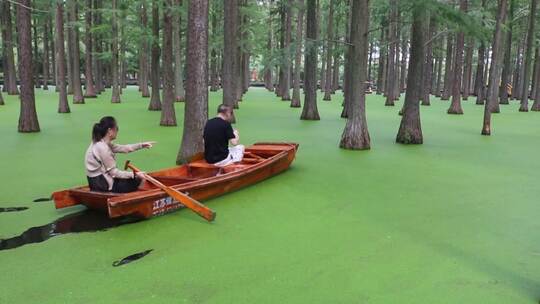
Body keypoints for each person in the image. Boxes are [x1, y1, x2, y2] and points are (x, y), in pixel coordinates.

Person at [85, 116, 154, 193]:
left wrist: (141, 145)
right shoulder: (103, 148)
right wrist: (135, 175)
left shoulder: (101, 142)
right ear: (110, 131)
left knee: (131, 177)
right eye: (116, 128)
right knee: (138, 179)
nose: (117, 130)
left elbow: (123, 148)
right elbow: (114, 173)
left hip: (97, 183)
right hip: (103, 185)